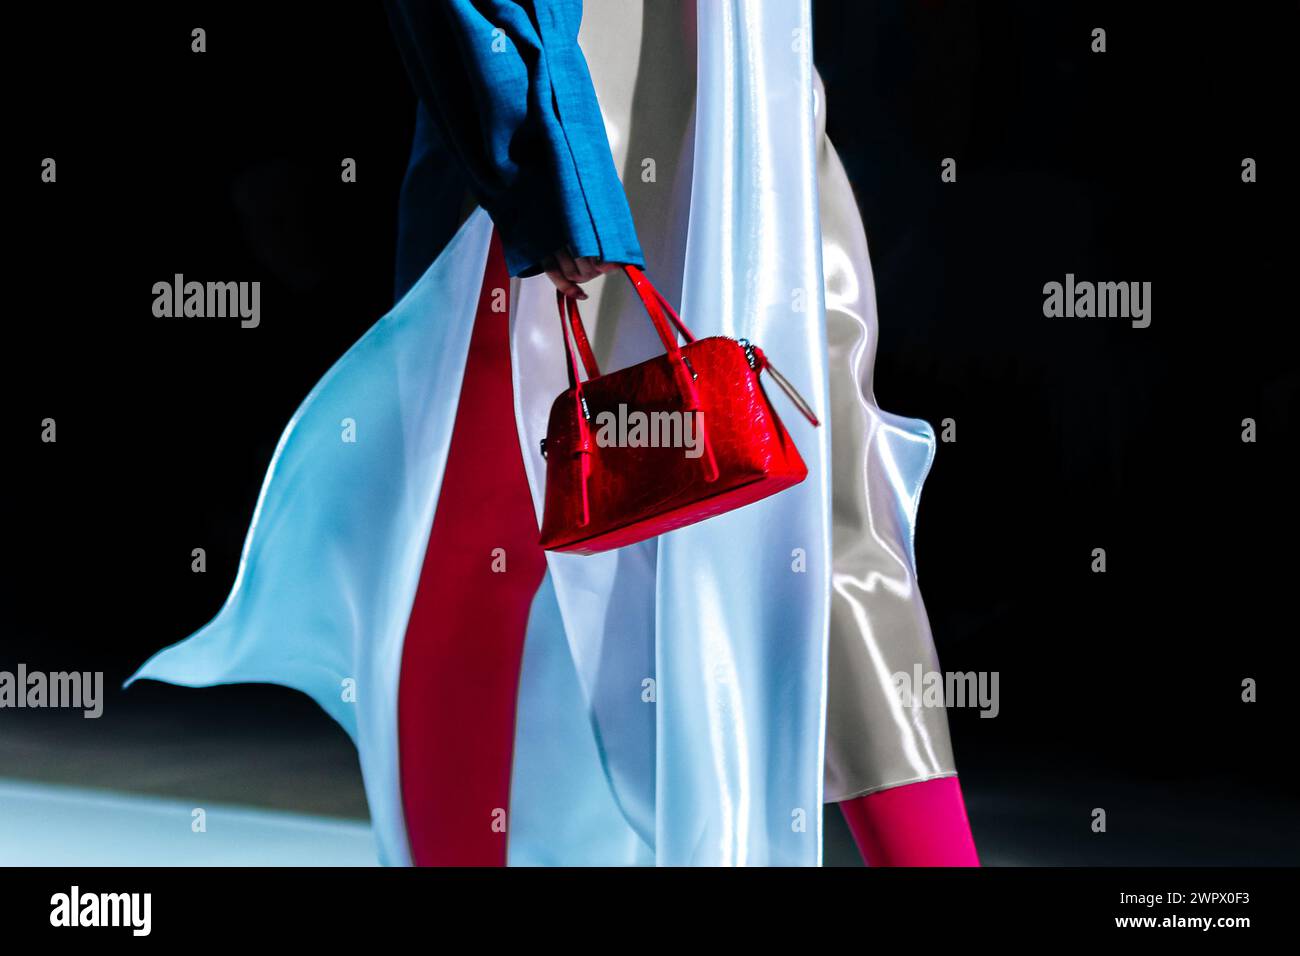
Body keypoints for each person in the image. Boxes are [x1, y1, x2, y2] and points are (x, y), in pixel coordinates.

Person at [131, 0, 979, 867]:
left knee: (814, 525)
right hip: (596, 80)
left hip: (738, 77)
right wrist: (552, 156)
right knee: (503, 529)